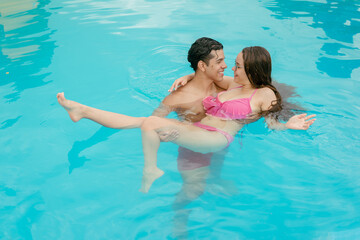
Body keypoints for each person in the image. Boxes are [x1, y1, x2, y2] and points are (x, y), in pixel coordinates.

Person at [57, 45, 316, 193]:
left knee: (150, 123)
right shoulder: (234, 86)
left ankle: (151, 169)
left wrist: (287, 126)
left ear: (251, 69)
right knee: (141, 121)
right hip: (199, 130)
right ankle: (82, 111)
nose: (231, 68)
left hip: (217, 138)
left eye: (237, 65)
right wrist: (187, 76)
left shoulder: (265, 94)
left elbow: (270, 122)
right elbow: (204, 76)